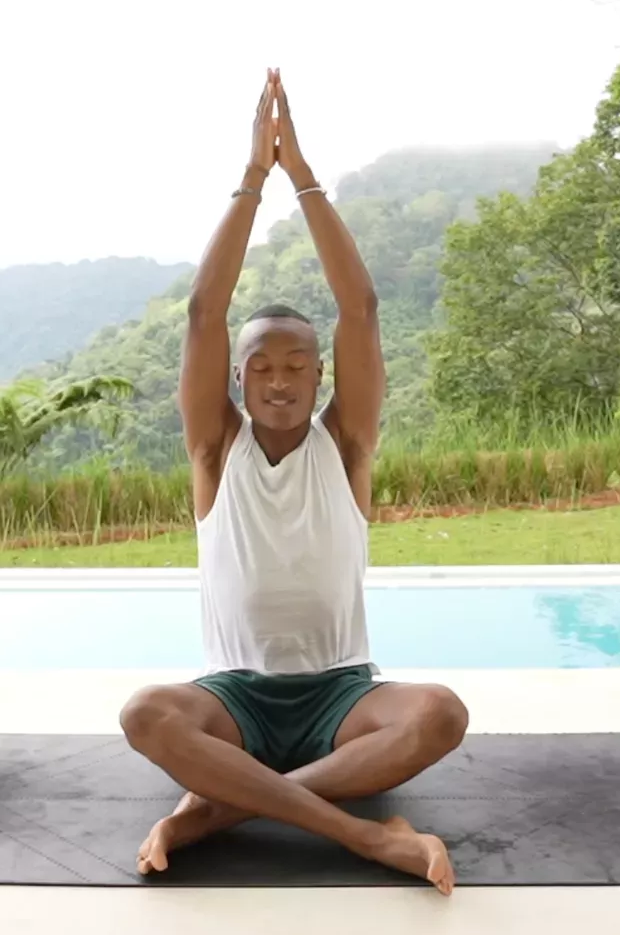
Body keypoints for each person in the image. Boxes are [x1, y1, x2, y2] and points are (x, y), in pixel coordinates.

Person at [118, 69, 469, 893]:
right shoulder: (214, 449)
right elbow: (205, 311)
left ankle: (217, 812)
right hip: (232, 703)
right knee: (145, 715)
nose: (279, 380)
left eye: (298, 366)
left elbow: (363, 311)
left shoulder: (346, 445)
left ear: (320, 380)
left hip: (343, 700)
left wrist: (303, 176)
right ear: (237, 380)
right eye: (261, 367)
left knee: (440, 715)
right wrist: (251, 180)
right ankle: (364, 835)